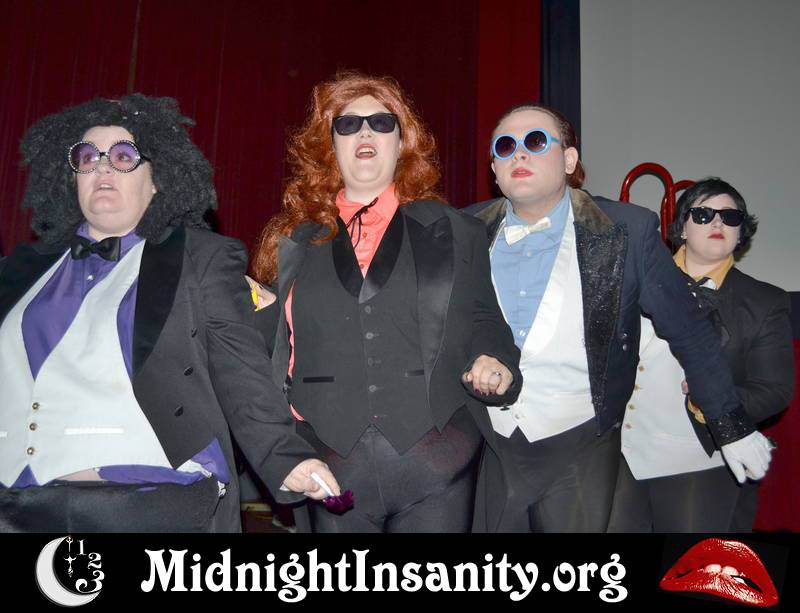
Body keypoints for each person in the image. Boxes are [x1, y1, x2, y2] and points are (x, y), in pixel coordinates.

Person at [0, 94, 337, 532]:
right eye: (87, 157)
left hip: (142, 496)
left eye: (123, 156)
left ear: (157, 181)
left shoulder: (200, 259)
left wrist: (282, 455)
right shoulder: (19, 270)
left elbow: (239, 369)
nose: (102, 168)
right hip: (14, 496)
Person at [465, 104, 774, 532]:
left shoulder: (627, 228)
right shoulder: (461, 230)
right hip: (487, 442)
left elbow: (690, 330)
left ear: (569, 160)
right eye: (505, 146)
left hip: (580, 441)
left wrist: (729, 423)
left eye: (535, 141)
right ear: (494, 170)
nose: (519, 153)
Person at [251, 71, 521, 532]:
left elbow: (484, 318)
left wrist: (495, 359)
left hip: (439, 462)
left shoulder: (457, 230)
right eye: (347, 124)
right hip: (329, 467)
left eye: (381, 122)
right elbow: (268, 351)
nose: (365, 133)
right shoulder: (290, 241)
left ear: (402, 142)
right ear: (330, 145)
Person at [608, 178, 794, 532]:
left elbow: (774, 390)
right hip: (618, 453)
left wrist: (708, 400)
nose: (718, 222)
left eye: (730, 217)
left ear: (741, 232)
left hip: (698, 457)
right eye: (704, 214)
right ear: (682, 226)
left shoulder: (765, 301)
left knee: (689, 562)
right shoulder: (629, 280)